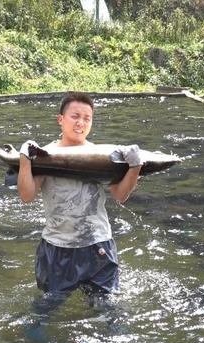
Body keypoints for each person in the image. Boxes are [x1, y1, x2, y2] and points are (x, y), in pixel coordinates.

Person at [17, 92, 142, 304]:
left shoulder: (103, 156)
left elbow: (120, 195)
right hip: (57, 247)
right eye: (75, 116)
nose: (81, 122)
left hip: (98, 245)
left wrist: (134, 168)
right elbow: (27, 195)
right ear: (61, 119)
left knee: (108, 310)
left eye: (87, 118)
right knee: (47, 307)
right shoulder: (45, 155)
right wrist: (25, 160)